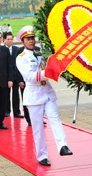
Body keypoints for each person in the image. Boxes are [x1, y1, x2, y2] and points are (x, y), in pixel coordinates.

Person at [16, 25, 73, 166]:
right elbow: (29, 76)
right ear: (23, 41)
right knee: (38, 128)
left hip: (47, 91)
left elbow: (48, 67)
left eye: (32, 38)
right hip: (34, 94)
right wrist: (48, 72)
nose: (31, 41)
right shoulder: (21, 58)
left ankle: (63, 146)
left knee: (55, 118)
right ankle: (42, 155)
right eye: (28, 39)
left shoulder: (40, 54)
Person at [3, 33, 24, 118]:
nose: (10, 41)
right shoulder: (1, 49)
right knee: (6, 94)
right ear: (4, 40)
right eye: (8, 39)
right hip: (6, 76)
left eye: (11, 39)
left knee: (16, 94)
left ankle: (17, 111)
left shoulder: (17, 50)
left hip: (16, 76)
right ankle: (6, 111)